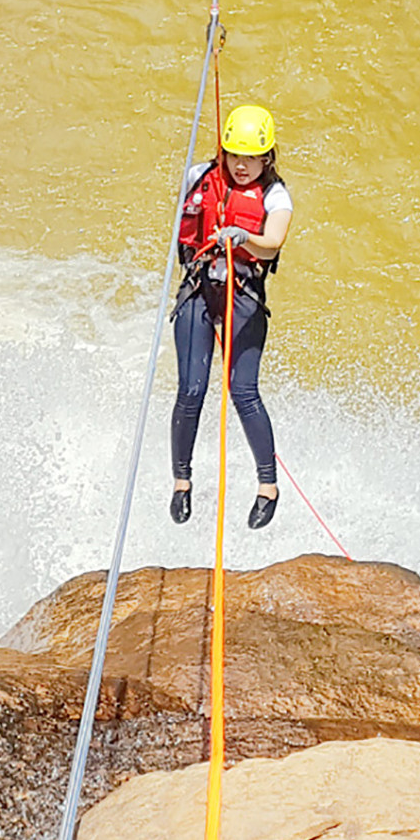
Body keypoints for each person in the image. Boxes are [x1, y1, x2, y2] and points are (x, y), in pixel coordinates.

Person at [169, 104, 293, 530]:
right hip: (200, 288)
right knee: (192, 389)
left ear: (267, 158)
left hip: (243, 294)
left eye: (251, 158)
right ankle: (181, 481)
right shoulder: (200, 176)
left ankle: (268, 486)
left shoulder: (276, 196)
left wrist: (244, 237)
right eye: (234, 155)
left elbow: (273, 242)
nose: (241, 166)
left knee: (243, 391)